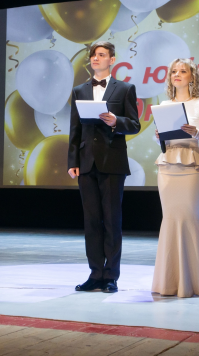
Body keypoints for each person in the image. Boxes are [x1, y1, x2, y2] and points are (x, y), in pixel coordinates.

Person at [68, 41, 140, 293]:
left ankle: (111, 276)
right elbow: (74, 128)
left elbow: (134, 124)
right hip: (86, 162)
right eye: (93, 55)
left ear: (112, 59)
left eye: (101, 55)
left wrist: (115, 121)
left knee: (111, 221)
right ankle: (95, 273)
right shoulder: (79, 90)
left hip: (112, 161)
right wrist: (73, 161)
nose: (96, 58)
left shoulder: (125, 89)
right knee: (91, 222)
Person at [151, 58, 199, 298]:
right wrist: (158, 135)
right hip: (167, 166)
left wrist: (196, 132)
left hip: (191, 167)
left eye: (182, 71)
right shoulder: (164, 105)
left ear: (192, 77)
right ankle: (168, 283)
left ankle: (194, 284)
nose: (177, 74)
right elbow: (159, 141)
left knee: (189, 220)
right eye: (173, 72)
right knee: (169, 220)